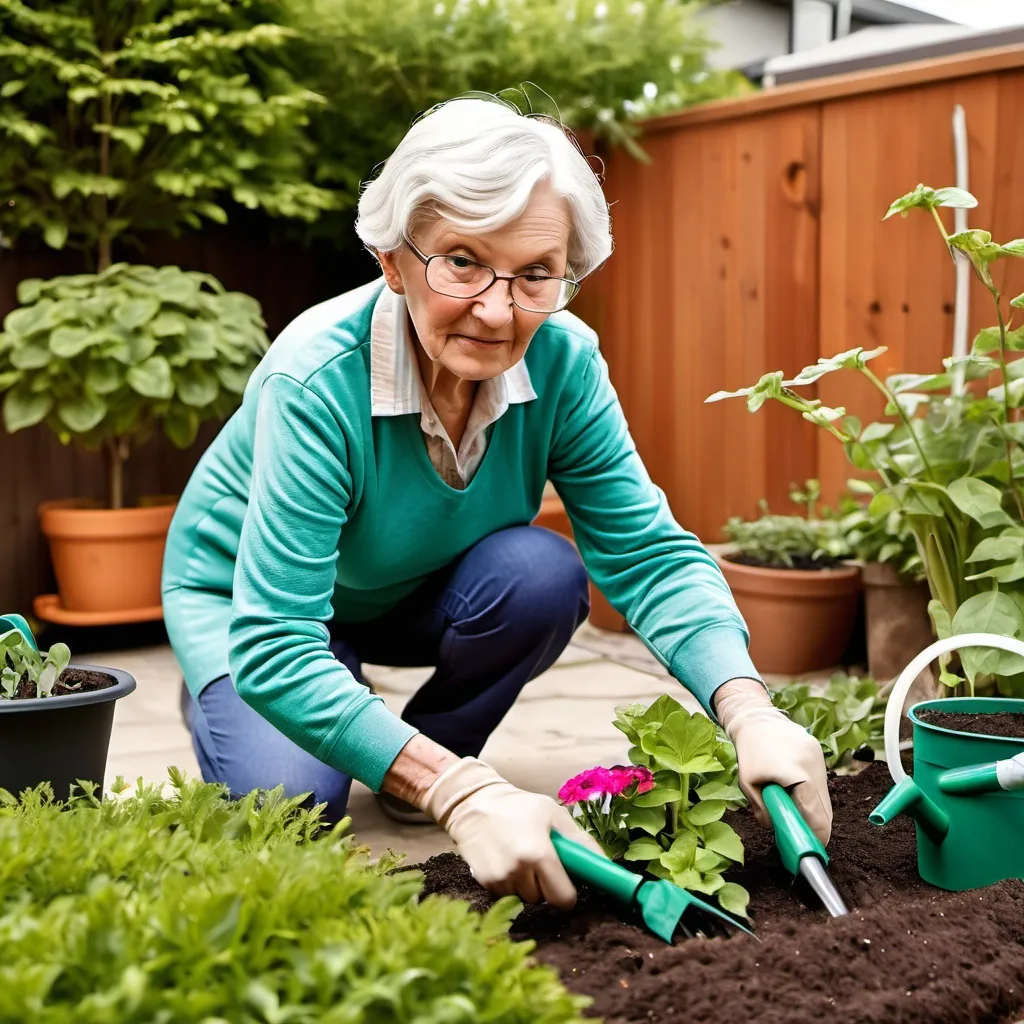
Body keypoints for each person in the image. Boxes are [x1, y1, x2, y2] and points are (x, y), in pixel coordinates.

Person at [162, 94, 831, 911]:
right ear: (394, 260)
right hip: (255, 609)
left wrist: (748, 707)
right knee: (295, 810)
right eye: (462, 261)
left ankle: (425, 761)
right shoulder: (314, 378)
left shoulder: (564, 361)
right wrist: (465, 796)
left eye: (536, 273)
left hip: (405, 586)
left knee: (542, 574)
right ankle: (249, 707)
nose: (496, 309)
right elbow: (276, 638)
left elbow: (648, 556)